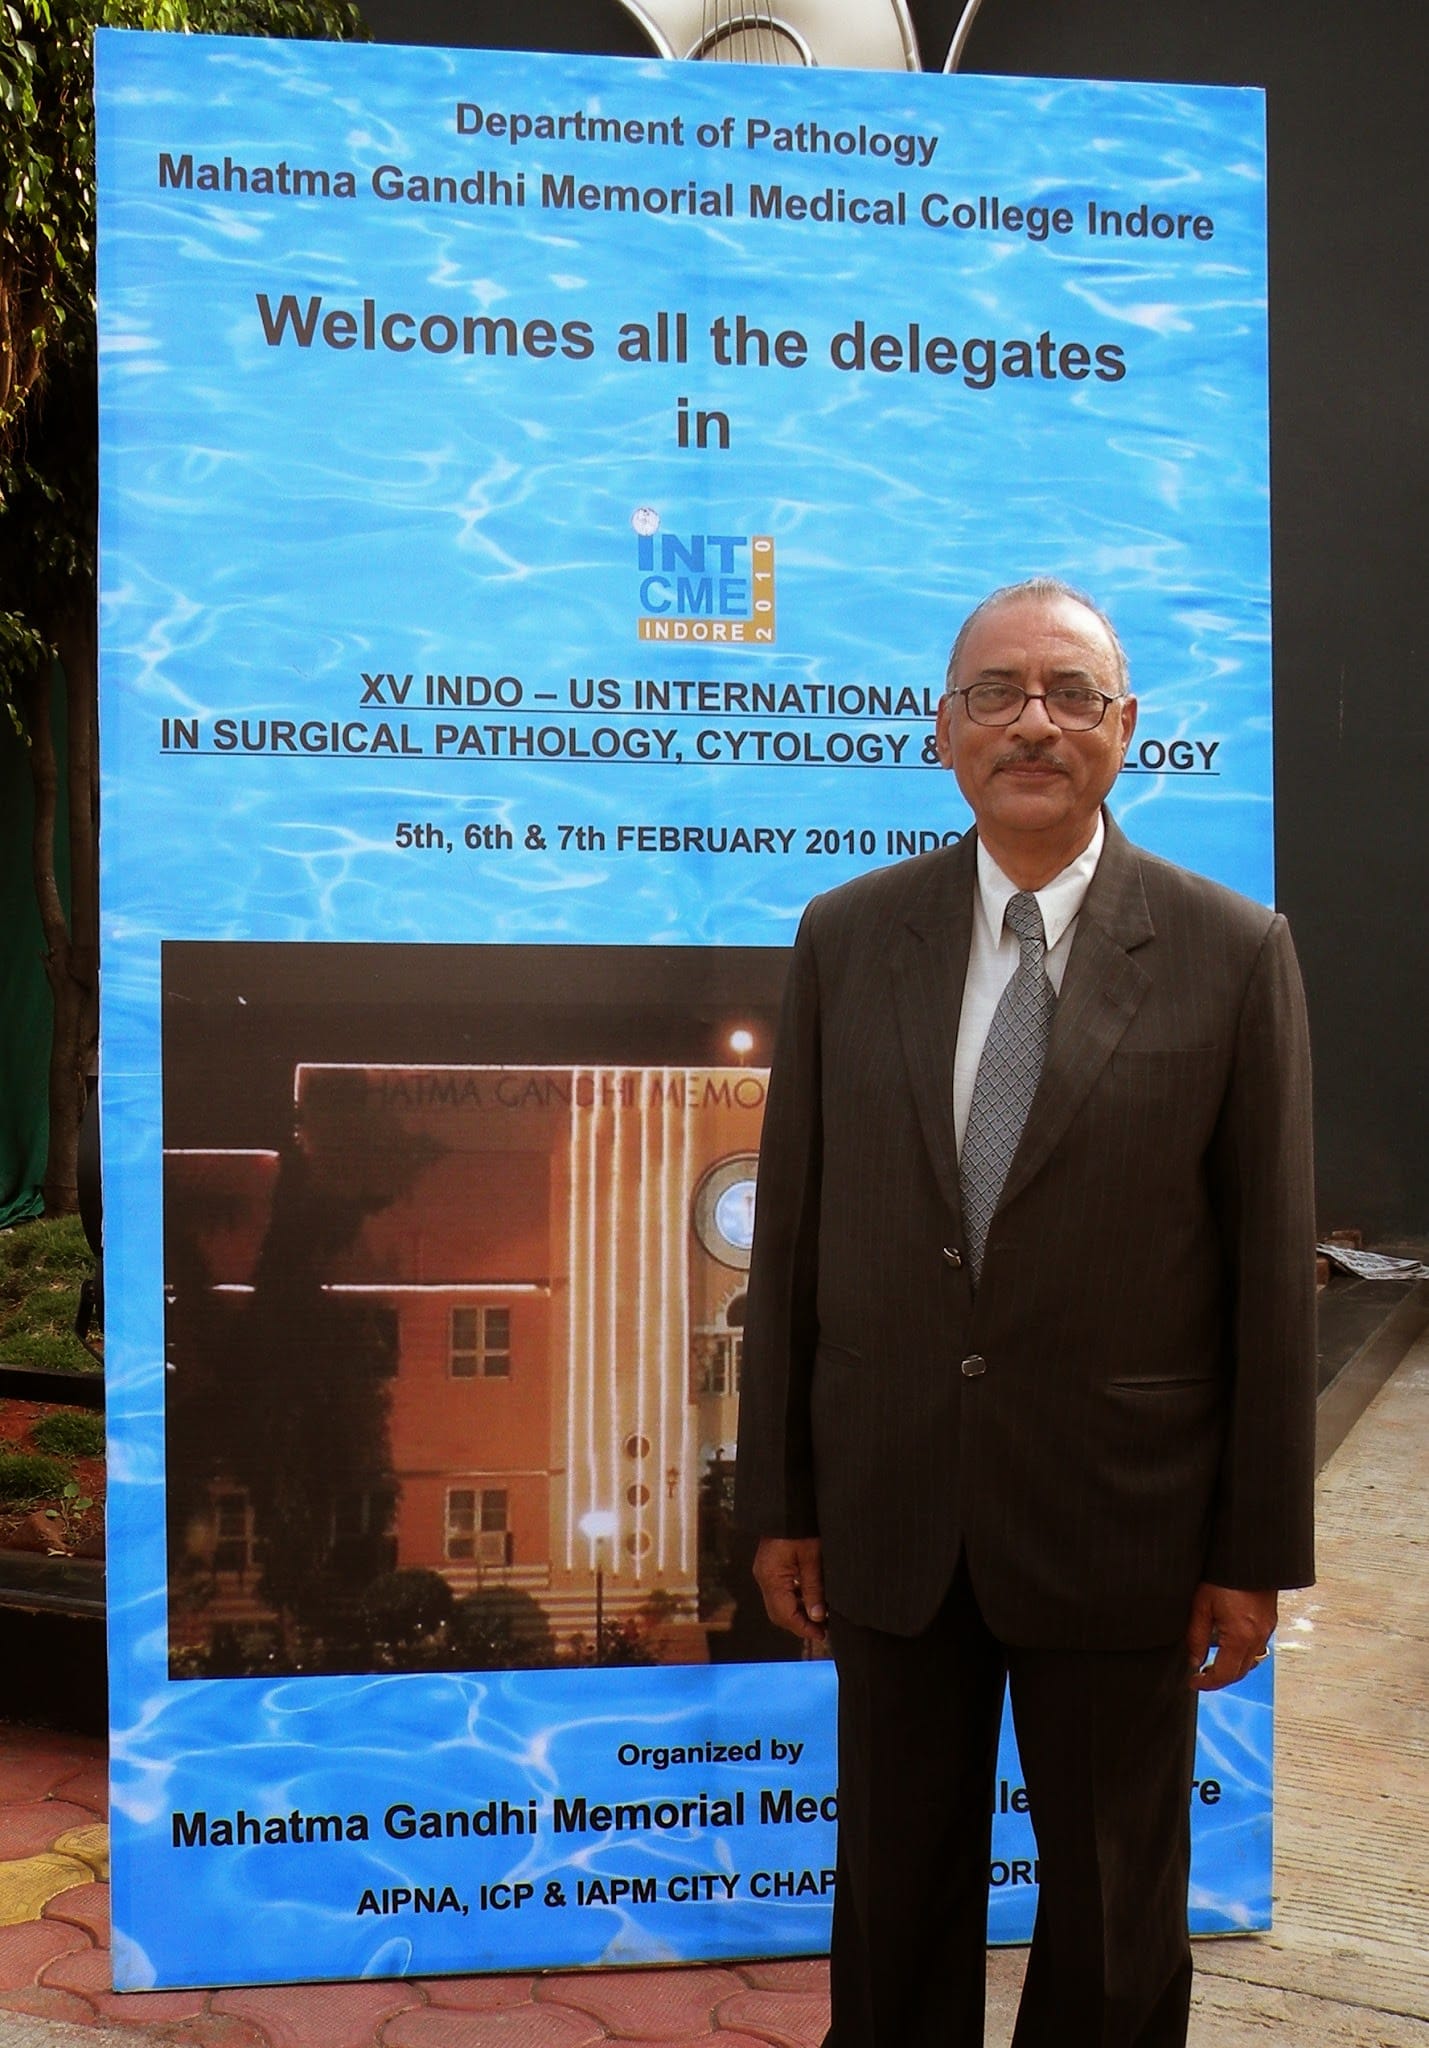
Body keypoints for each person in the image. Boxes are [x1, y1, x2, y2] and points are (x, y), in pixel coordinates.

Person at [734, 577, 1316, 2048]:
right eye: (994, 693)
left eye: (1069, 693)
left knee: (1117, 1922)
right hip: (893, 1514)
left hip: (1124, 1524)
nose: (1032, 723)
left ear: (1127, 727)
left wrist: (1253, 1552)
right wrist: (782, 1501)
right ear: (943, 730)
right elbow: (788, 1241)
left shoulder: (1231, 951)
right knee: (894, 1904)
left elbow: (1268, 1280)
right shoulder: (846, 937)